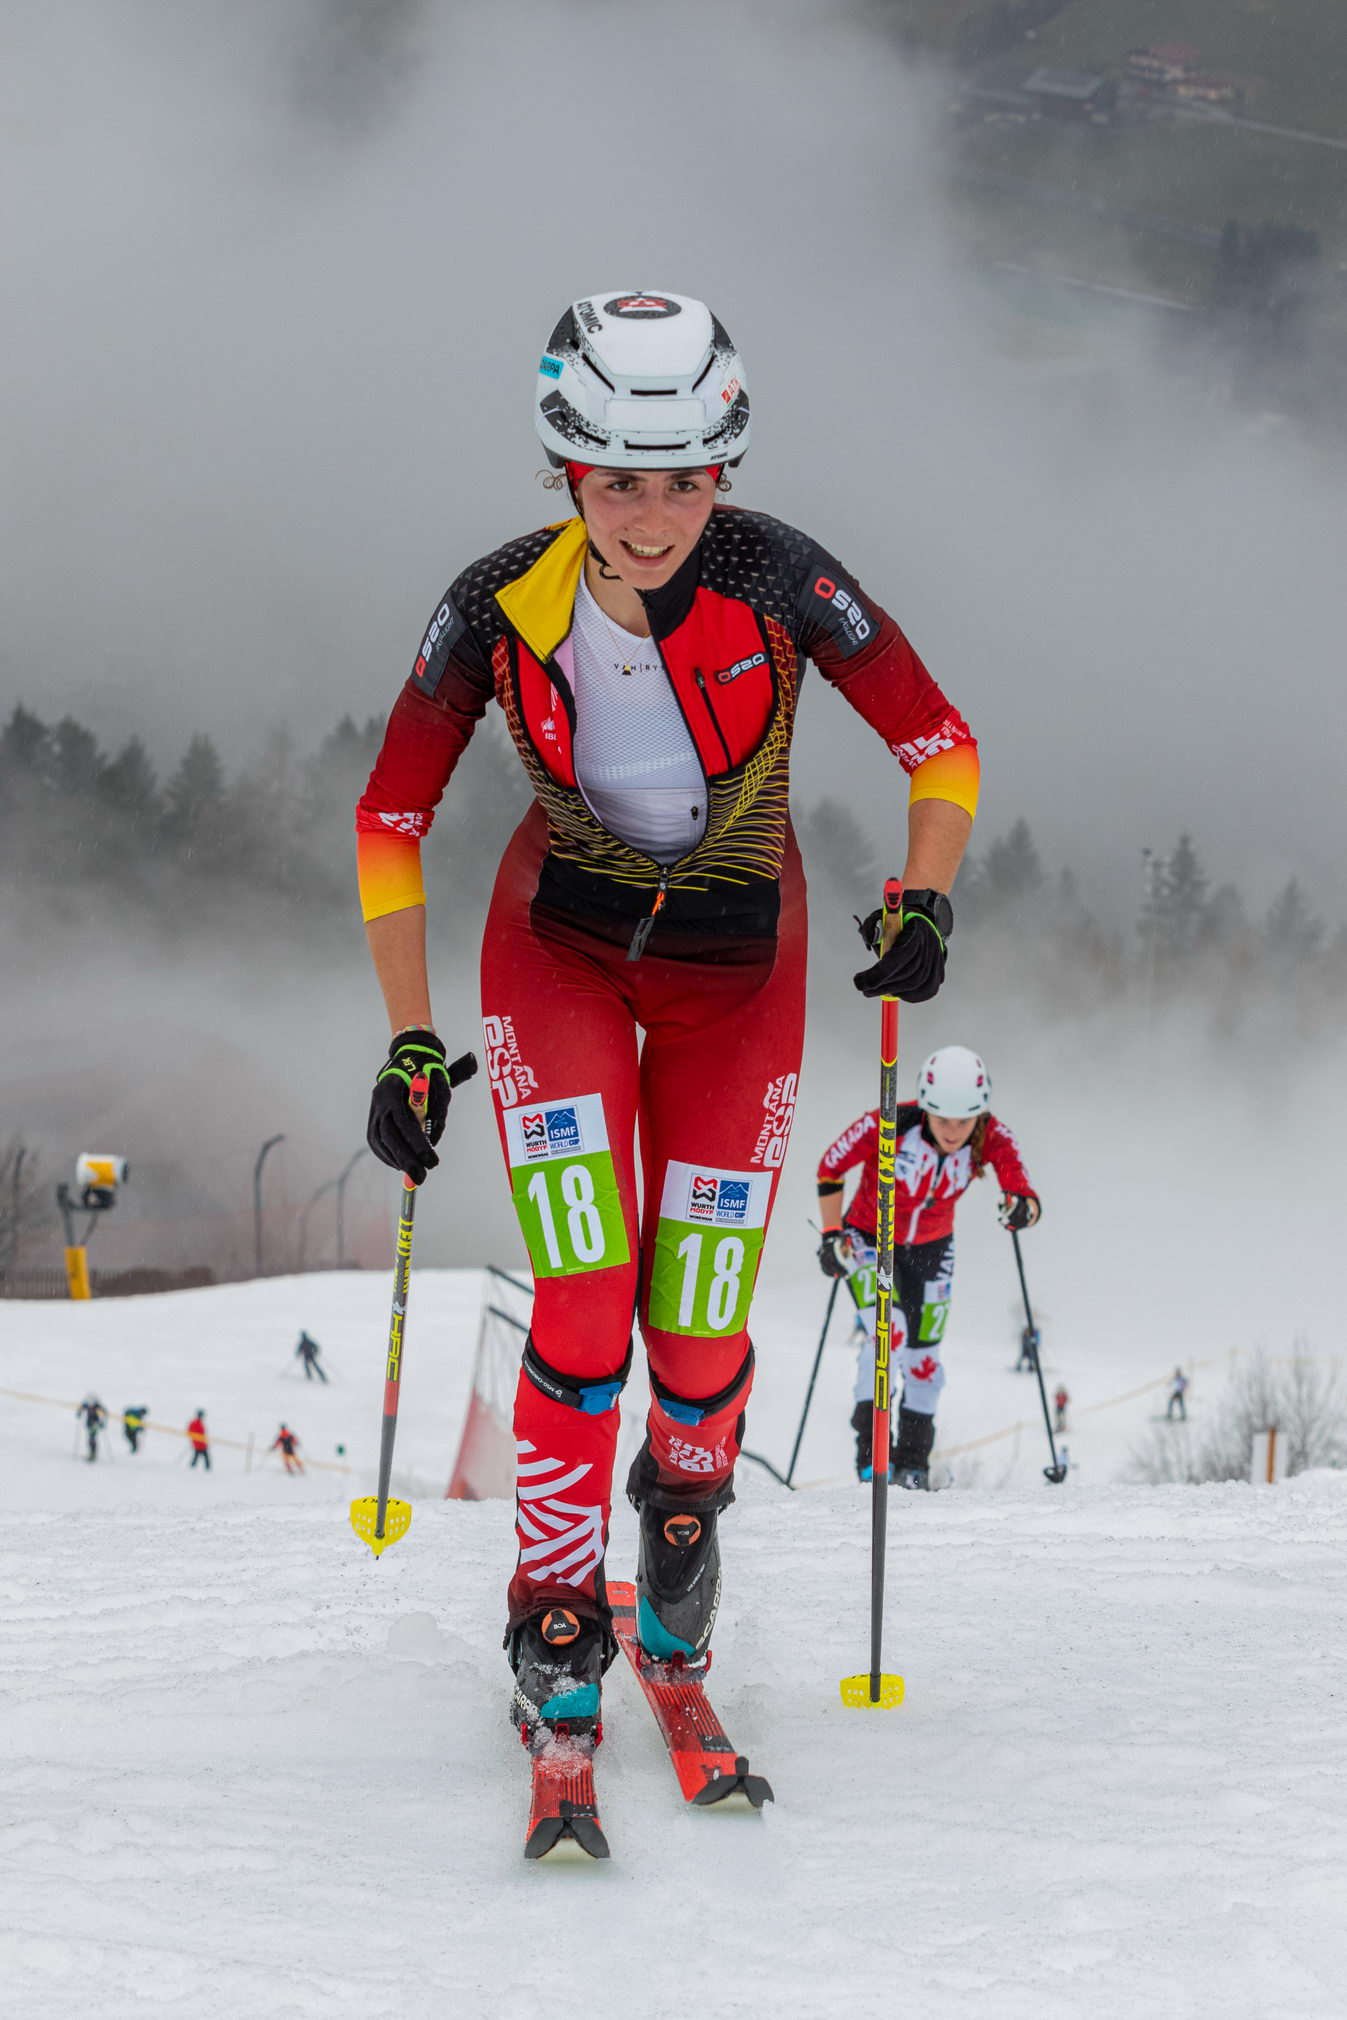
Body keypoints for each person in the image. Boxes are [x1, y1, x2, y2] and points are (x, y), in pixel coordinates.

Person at [356, 288, 979, 1741]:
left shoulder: (781, 577)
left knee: (696, 1325)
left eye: (682, 479)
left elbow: (935, 743)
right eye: (616, 481)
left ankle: (683, 1515)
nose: (648, 515)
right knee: (582, 1290)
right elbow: (392, 814)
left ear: (725, 469)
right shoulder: (495, 600)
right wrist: (406, 1033)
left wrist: (924, 898)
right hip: (554, 951)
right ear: (565, 470)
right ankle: (551, 1595)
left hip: (737, 964)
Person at [817, 1045, 1038, 1489]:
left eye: (964, 1121)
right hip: (869, 1240)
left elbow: (1025, 1193)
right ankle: (871, 1456)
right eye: (942, 1120)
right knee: (889, 1335)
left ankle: (913, 1465)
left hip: (934, 1251)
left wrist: (1021, 1209)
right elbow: (830, 1167)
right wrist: (830, 1236)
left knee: (924, 1362)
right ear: (926, 1108)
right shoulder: (890, 1122)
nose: (954, 1131)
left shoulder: (990, 1134)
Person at [76, 1395, 107, 1463]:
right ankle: (92, 1453)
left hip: (95, 1424)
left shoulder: (98, 1406)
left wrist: (102, 1422)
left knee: (92, 1438)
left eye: (92, 1405)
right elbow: (81, 1408)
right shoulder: (86, 1404)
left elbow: (104, 1414)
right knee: (90, 1438)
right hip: (89, 1423)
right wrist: (79, 1413)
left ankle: (93, 1454)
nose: (90, 1406)